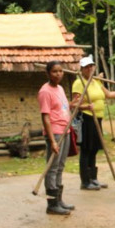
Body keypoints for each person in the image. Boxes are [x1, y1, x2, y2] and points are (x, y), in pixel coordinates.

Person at [72, 55, 115, 191]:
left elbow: (109, 95)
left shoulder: (96, 81)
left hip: (98, 119)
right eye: (86, 67)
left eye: (91, 66)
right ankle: (85, 181)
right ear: (82, 69)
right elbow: (74, 104)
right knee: (86, 149)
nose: (89, 69)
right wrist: (85, 107)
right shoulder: (79, 83)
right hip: (87, 118)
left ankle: (93, 178)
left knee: (95, 148)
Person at [38, 61, 75, 216]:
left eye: (60, 71)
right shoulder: (45, 92)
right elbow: (45, 117)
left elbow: (64, 108)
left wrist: (76, 104)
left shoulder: (60, 88)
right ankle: (52, 204)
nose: (58, 74)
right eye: (54, 71)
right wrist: (52, 140)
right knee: (52, 169)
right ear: (48, 73)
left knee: (60, 166)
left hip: (65, 131)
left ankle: (59, 201)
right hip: (55, 133)